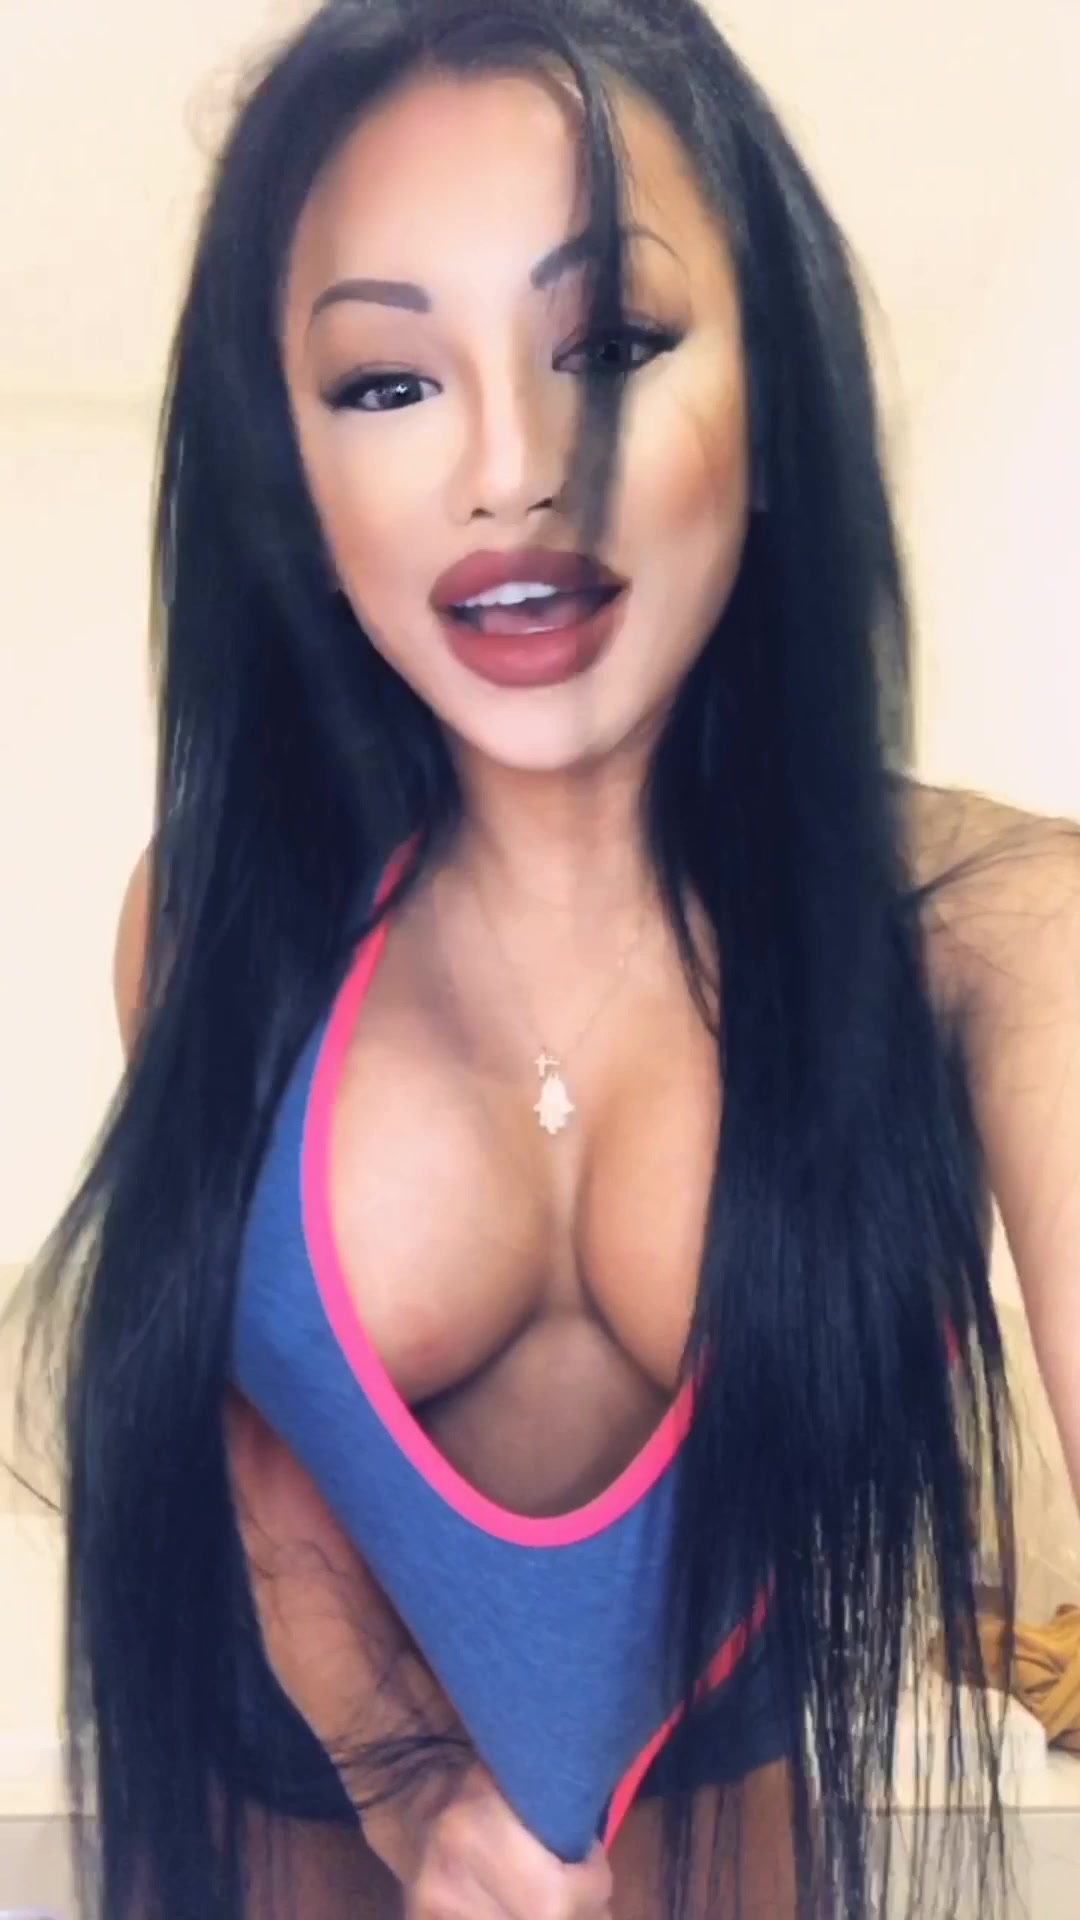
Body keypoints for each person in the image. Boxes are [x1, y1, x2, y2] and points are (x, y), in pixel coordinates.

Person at [16, 0, 1080, 1915]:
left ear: (774, 409)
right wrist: (406, 1774)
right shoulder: (214, 911)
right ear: (296, 491)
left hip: (723, 1738)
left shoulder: (998, 933)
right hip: (295, 1739)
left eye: (611, 345)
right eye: (386, 382)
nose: (512, 470)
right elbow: (248, 1416)